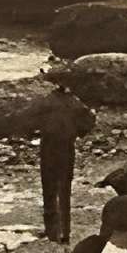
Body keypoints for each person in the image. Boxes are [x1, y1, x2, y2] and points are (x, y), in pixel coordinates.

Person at [29, 89, 96, 242]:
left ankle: (52, 232)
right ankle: (64, 233)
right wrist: (77, 133)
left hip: (49, 147)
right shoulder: (75, 102)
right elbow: (88, 122)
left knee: (49, 188)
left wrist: (35, 132)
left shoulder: (46, 100)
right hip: (66, 147)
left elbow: (31, 121)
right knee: (64, 189)